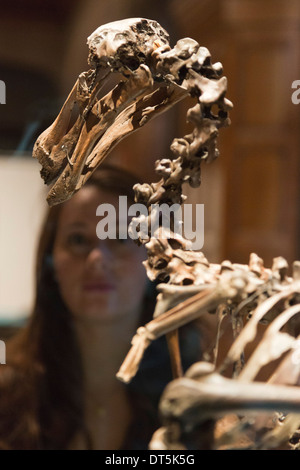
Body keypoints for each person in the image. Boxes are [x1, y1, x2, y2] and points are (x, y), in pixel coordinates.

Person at [0, 164, 203, 450]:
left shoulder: (197, 399)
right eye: (78, 240)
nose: (98, 259)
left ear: (158, 259)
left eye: (121, 238)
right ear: (51, 262)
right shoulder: (7, 396)